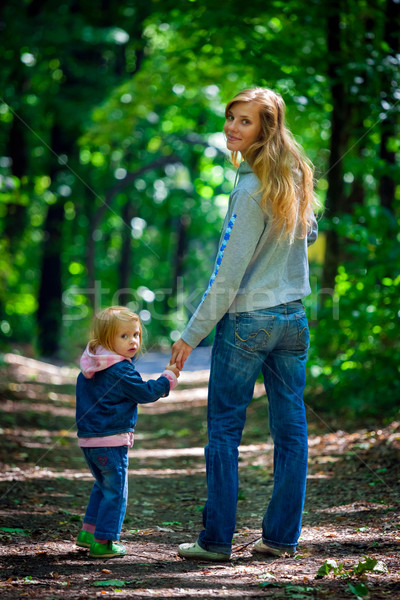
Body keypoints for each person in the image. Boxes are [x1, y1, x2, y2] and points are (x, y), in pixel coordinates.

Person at [171, 87, 319, 561]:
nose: (232, 127)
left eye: (245, 121)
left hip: (249, 322)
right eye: (231, 117)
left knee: (224, 432)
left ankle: (215, 542)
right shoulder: (294, 175)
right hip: (293, 317)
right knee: (292, 430)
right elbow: (309, 231)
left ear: (266, 129)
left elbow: (227, 273)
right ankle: (280, 539)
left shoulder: (251, 187)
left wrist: (190, 334)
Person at [75, 306, 179, 558]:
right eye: (124, 336)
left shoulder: (89, 367)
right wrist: (168, 379)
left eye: (136, 334)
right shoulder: (121, 370)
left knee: (102, 485)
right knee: (116, 491)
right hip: (111, 441)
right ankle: (104, 542)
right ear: (105, 340)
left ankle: (89, 532)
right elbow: (145, 393)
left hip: (89, 441)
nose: (133, 341)